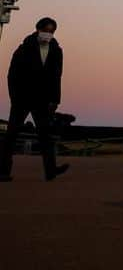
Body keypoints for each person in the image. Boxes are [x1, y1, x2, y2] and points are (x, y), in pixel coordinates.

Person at [1, 17, 69, 182]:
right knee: (11, 135)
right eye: (46, 30)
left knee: (46, 136)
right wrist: (15, 97)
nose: (48, 34)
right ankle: (3, 171)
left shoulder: (56, 50)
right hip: (22, 99)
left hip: (43, 101)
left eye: (51, 31)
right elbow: (12, 75)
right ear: (38, 29)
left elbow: (56, 77)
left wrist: (55, 100)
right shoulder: (24, 48)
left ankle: (51, 170)